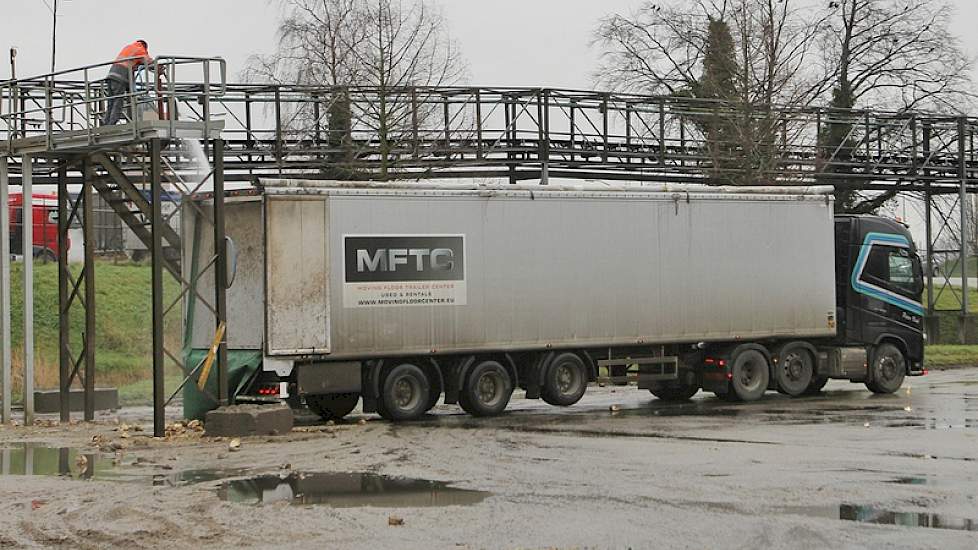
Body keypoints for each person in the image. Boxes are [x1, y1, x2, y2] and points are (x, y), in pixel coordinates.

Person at [101, 40, 153, 126]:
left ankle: (106, 122)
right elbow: (149, 61)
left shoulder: (128, 47)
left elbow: (130, 62)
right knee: (118, 101)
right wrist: (159, 67)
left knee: (111, 102)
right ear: (144, 46)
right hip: (120, 76)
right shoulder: (140, 49)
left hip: (111, 75)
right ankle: (112, 123)